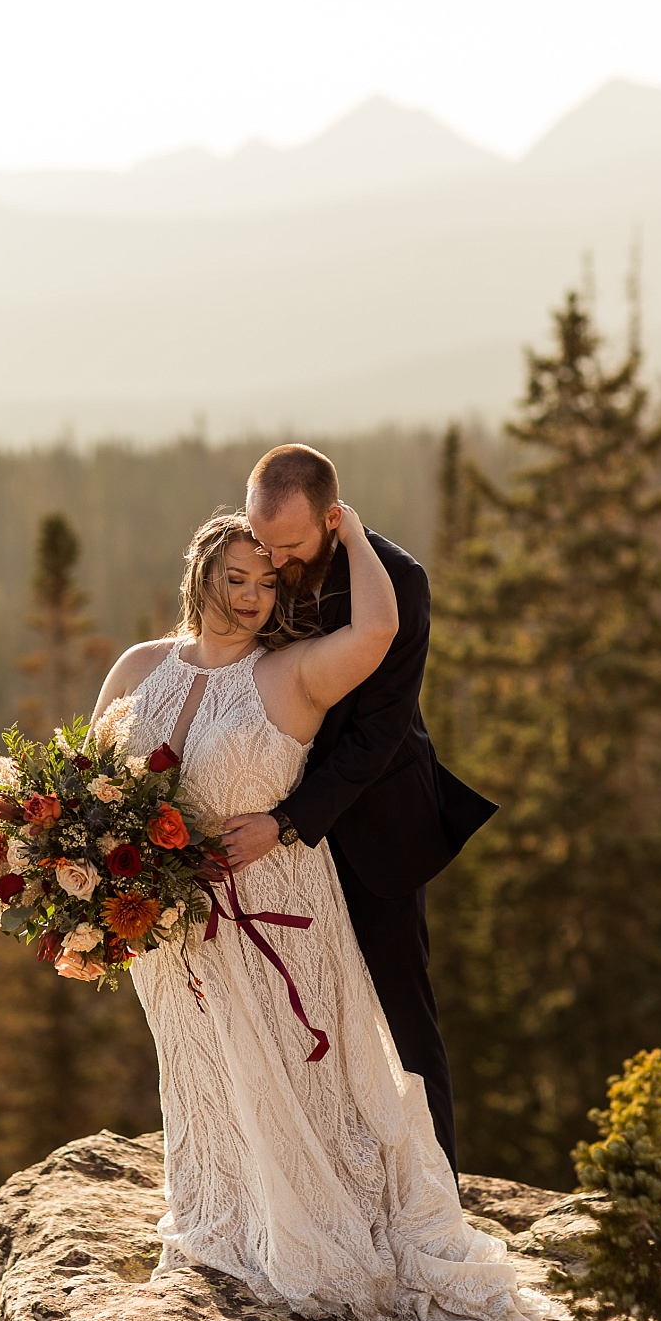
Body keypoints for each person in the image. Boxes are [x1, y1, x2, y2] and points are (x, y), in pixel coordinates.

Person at [86, 503, 547, 1321]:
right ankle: (229, 1214)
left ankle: (326, 1226)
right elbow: (93, 784)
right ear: (198, 574)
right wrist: (78, 877)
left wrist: (355, 533)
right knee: (209, 1071)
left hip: (275, 910)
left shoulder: (293, 670)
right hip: (174, 931)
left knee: (297, 1077)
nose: (255, 594)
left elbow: (375, 631)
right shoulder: (137, 666)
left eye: (268, 579)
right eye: (236, 577)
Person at [226, 443, 492, 1174]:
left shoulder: (399, 580)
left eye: (289, 546)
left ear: (333, 518)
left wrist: (283, 824)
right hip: (271, 825)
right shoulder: (255, 557)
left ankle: (439, 1194)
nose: (271, 564)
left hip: (375, 826)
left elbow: (377, 737)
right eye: (261, 540)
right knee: (302, 1014)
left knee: (403, 1017)